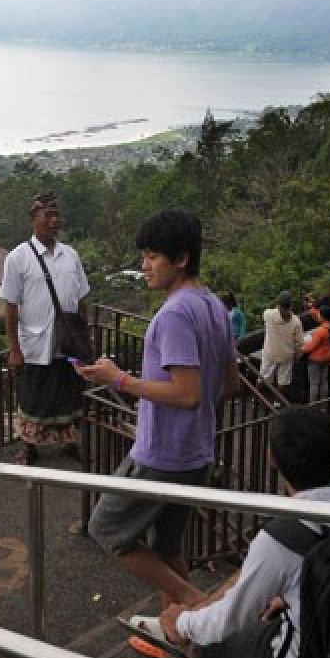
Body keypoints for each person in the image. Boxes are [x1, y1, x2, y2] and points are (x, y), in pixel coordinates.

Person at [80, 209, 240, 615]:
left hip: (162, 455)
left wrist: (119, 380)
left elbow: (186, 394)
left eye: (153, 256)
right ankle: (187, 635)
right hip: (196, 452)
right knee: (167, 546)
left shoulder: (173, 314)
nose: (144, 266)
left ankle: (194, 603)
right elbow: (230, 384)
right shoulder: (214, 306)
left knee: (106, 528)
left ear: (180, 258)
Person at [157, 407, 330, 658]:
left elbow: (227, 620)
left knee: (203, 647)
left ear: (271, 458)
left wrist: (180, 623)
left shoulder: (279, 539)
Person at [0, 192, 91, 465]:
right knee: (34, 397)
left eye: (56, 215)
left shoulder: (70, 255)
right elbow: (11, 308)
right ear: (33, 220)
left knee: (70, 394)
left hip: (68, 342)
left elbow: (81, 298)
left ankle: (70, 443)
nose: (54, 221)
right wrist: (14, 349)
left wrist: (85, 339)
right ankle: (29, 447)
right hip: (35, 344)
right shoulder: (18, 258)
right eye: (47, 216)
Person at [259, 290, 303, 392]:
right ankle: (277, 403)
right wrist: (297, 356)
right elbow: (299, 343)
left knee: (263, 378)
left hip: (270, 353)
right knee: (283, 381)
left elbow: (267, 313)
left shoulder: (268, 315)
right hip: (287, 355)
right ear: (291, 305)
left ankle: (257, 402)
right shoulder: (296, 321)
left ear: (278, 305)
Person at [301, 304, 330, 404]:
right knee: (324, 382)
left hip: (315, 360)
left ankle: (313, 405)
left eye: (319, 314)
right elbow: (315, 313)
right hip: (326, 358)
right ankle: (323, 404)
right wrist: (312, 307)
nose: (318, 316)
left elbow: (310, 347)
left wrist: (300, 348)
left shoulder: (320, 331)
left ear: (323, 316)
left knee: (314, 383)